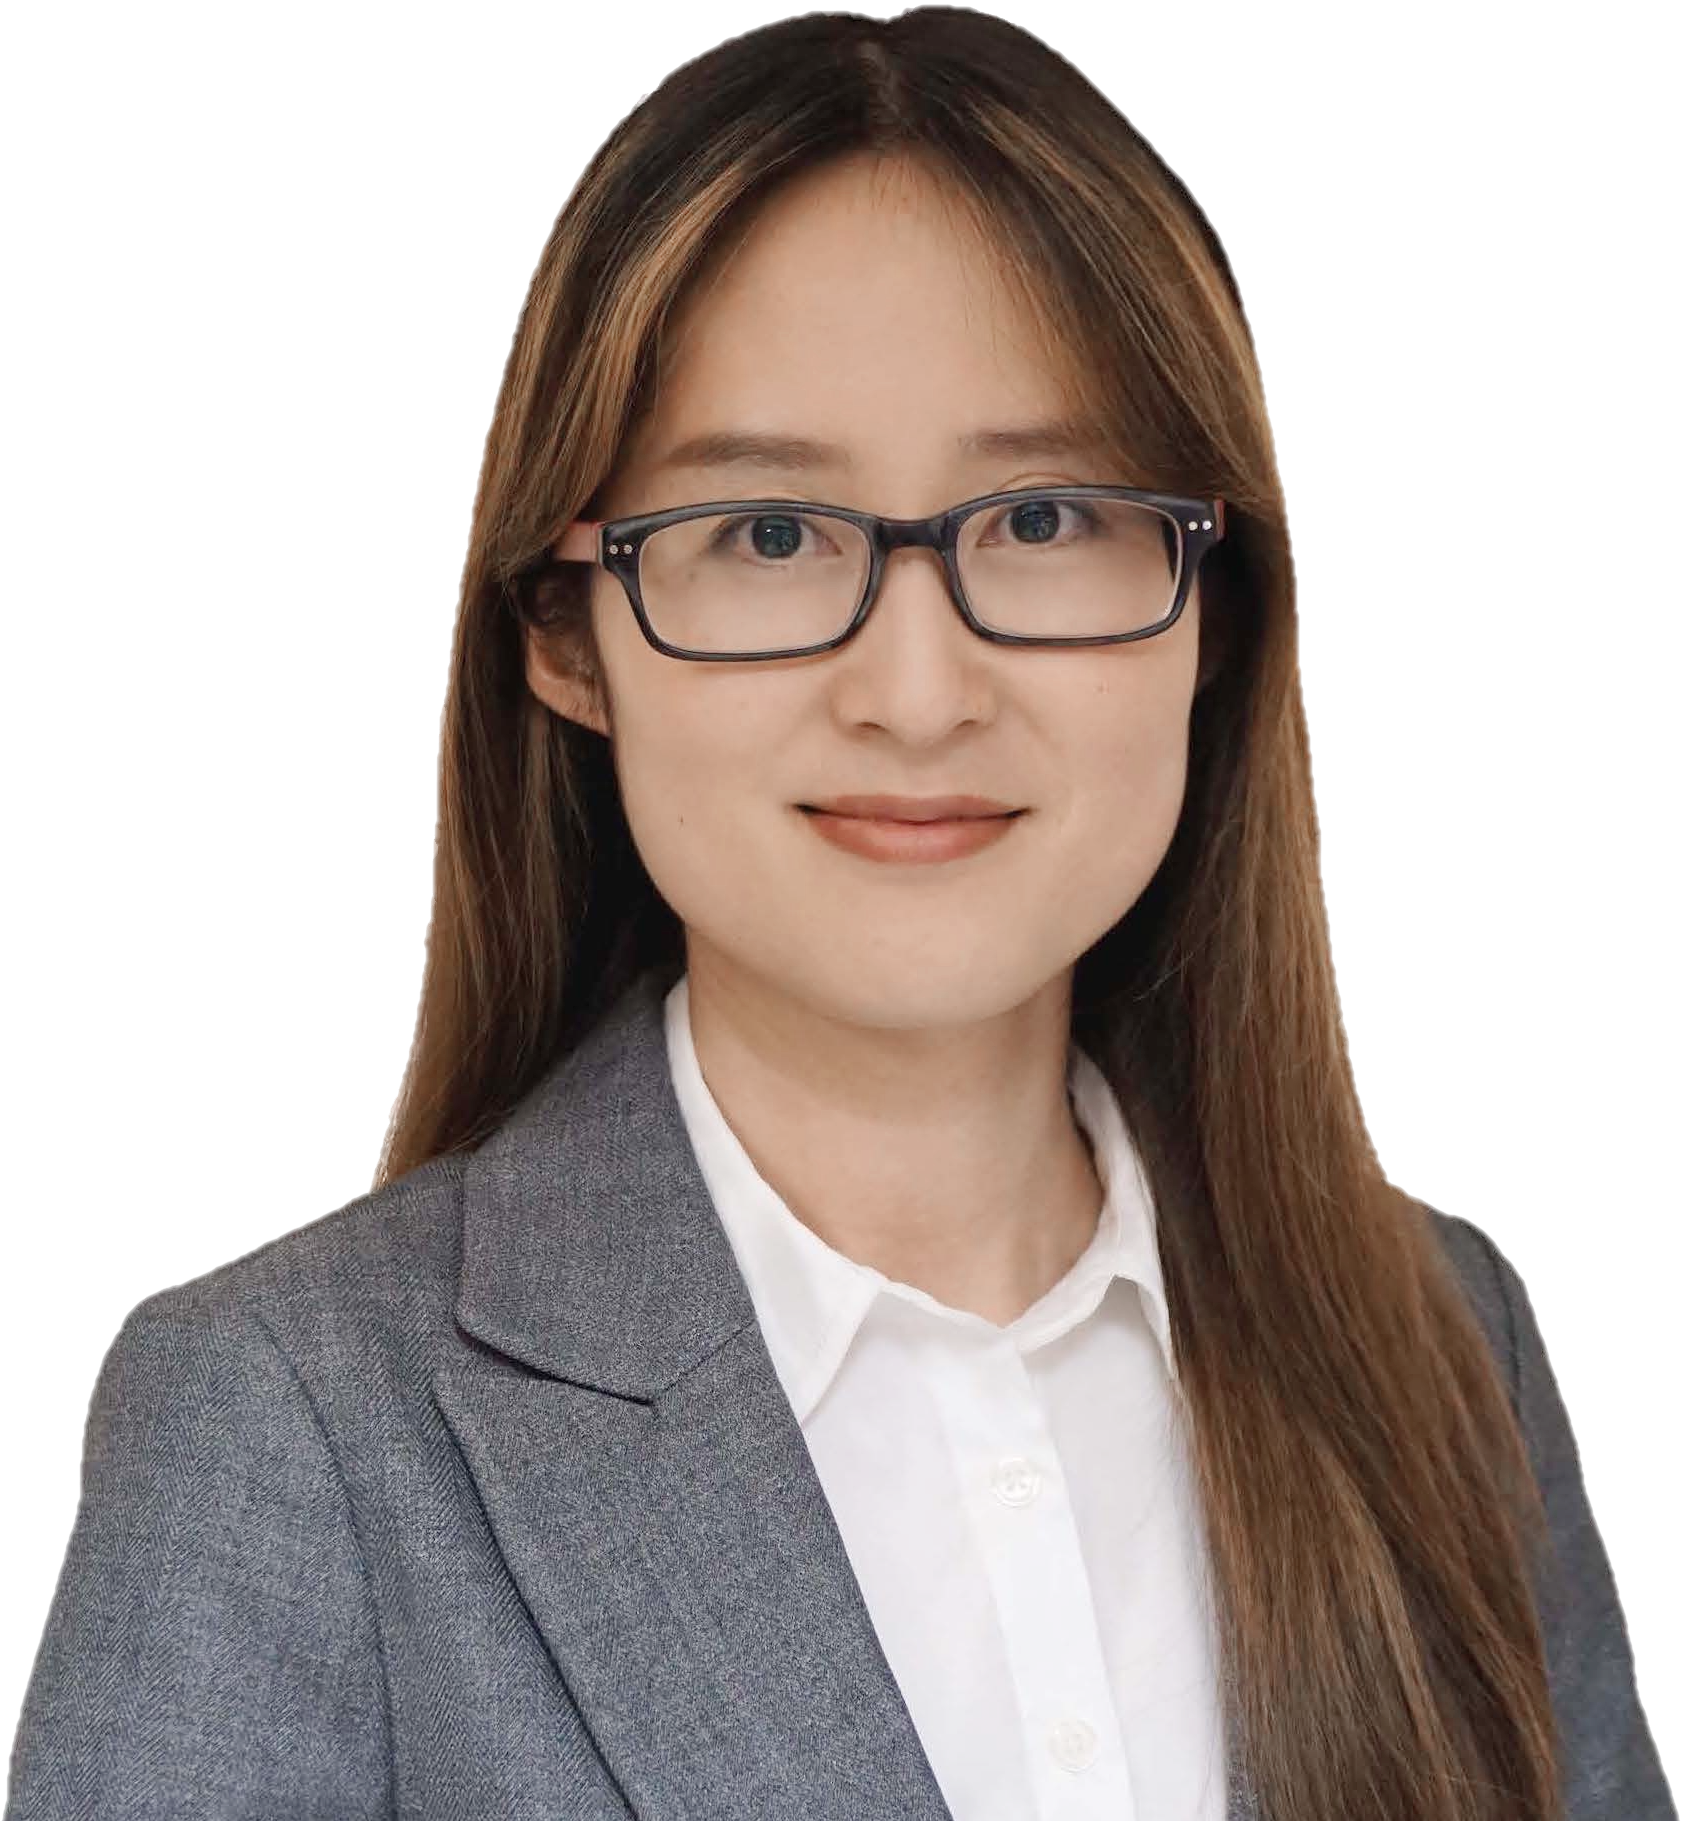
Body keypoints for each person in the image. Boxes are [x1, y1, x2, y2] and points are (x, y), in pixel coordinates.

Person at [6, 9, 1672, 1820]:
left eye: (1045, 518)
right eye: (772, 536)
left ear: (1214, 604)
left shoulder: (1441, 1342)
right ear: (567, 634)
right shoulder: (293, 1428)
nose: (918, 692)